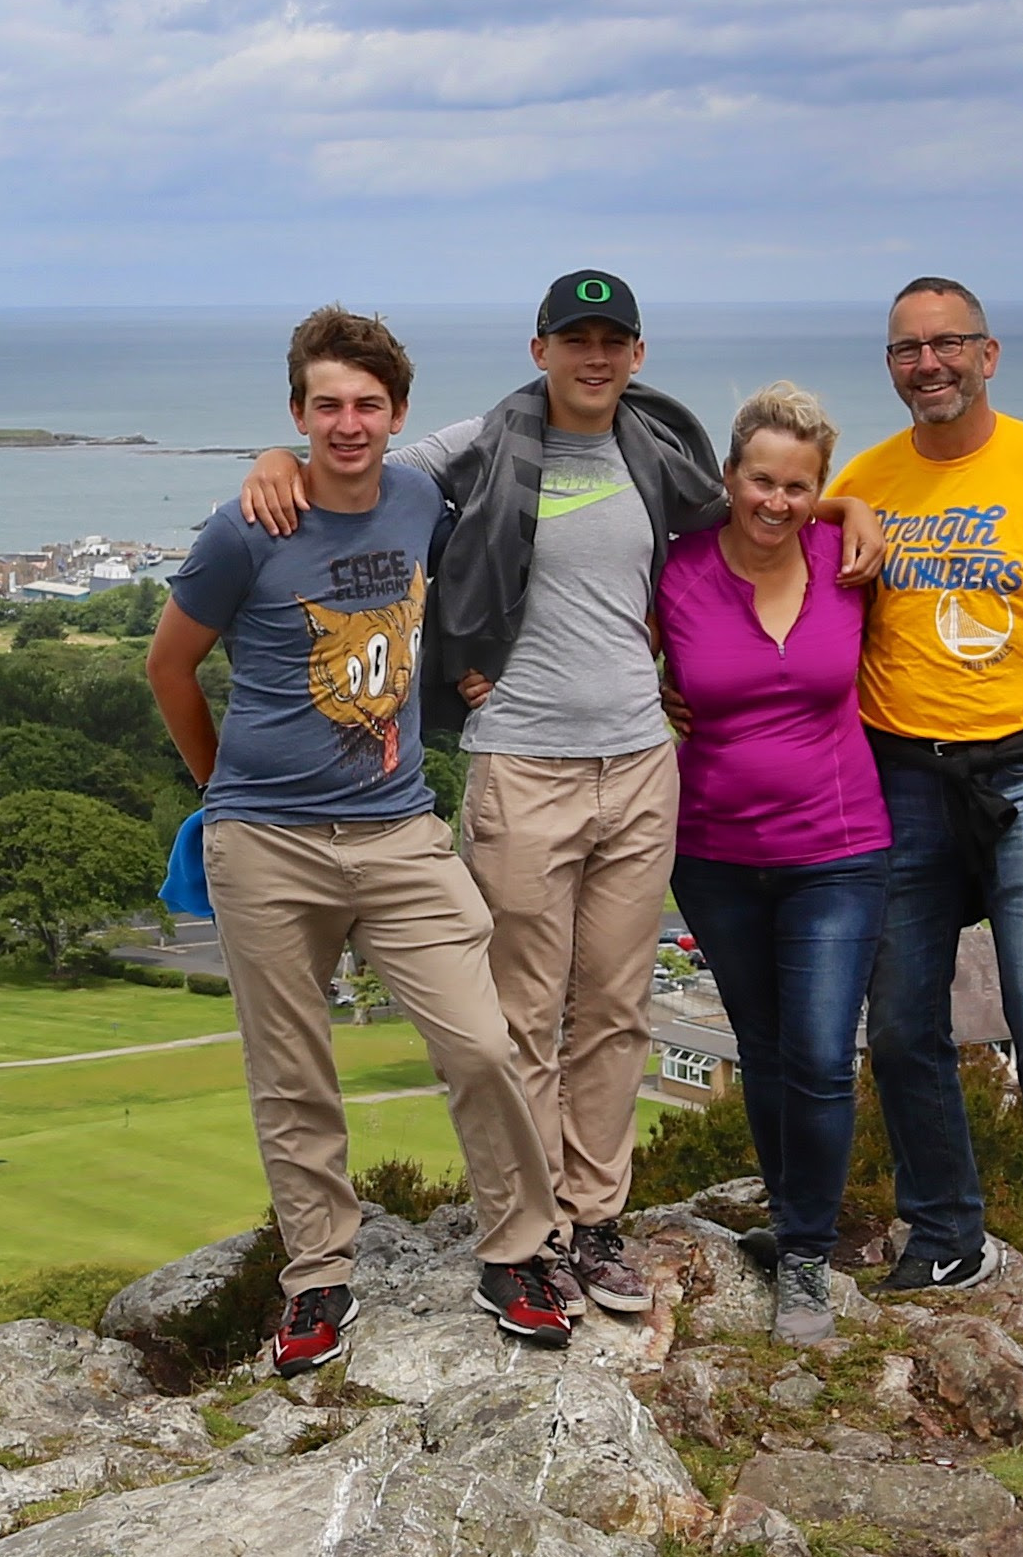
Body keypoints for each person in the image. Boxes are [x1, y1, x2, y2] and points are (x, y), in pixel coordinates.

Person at [238, 273, 877, 1316]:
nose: (593, 356)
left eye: (611, 340)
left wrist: (849, 500)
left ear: (636, 353)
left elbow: (756, 517)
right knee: (524, 1014)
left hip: (636, 762)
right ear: (539, 350)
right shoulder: (482, 443)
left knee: (617, 1009)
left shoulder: (655, 453)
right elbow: (359, 471)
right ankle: (529, 1237)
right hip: (523, 761)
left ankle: (596, 1220)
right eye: (573, 338)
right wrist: (273, 457)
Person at [150, 305, 574, 1378]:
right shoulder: (245, 527)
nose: (347, 424)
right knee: (292, 1072)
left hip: (396, 831)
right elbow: (169, 668)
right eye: (326, 405)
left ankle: (517, 1251)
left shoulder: (419, 495)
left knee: (482, 1044)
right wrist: (223, 794)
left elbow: (536, 460)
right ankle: (318, 1282)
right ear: (298, 412)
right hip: (268, 843)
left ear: (396, 414)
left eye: (367, 405)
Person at [833, 278, 1023, 1343]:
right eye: (908, 350)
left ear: (989, 353)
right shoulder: (863, 482)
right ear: (891, 365)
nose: (929, 364)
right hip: (901, 779)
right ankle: (946, 1235)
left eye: (948, 344)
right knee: (905, 1027)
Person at [651, 383, 890, 1349]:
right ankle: (789, 1219)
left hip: (838, 850)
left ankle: (803, 1258)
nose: (777, 502)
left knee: (823, 1058)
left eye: (801, 486)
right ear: (729, 478)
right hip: (711, 854)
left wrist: (851, 508)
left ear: (819, 490)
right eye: (761, 480)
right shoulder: (673, 574)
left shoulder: (850, 557)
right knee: (761, 1047)